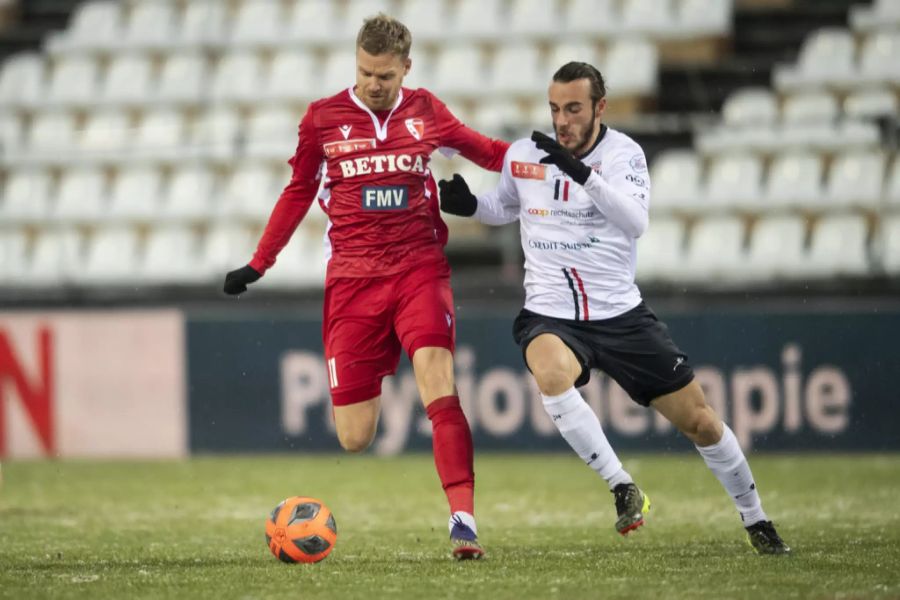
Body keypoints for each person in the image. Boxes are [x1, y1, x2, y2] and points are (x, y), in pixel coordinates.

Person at [438, 61, 790, 555]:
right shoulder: (524, 153)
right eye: (556, 108)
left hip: (620, 314)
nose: (562, 120)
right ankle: (622, 485)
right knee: (548, 370)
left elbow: (635, 221)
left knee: (702, 422)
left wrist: (580, 173)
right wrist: (471, 205)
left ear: (600, 107)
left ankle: (757, 521)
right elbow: (508, 205)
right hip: (551, 311)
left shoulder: (625, 154)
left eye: (574, 108)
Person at [223, 14, 509, 560]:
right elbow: (298, 191)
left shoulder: (427, 111)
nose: (374, 84)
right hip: (352, 281)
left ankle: (464, 522)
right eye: (364, 72)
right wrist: (260, 263)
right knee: (355, 437)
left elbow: (488, 151)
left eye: (384, 75)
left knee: (438, 382)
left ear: (406, 68)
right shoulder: (323, 119)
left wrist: (546, 165)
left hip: (418, 269)